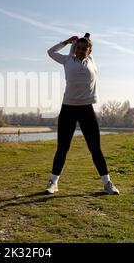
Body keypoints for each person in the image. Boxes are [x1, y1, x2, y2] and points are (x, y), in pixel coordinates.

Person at [45, 33, 120, 195]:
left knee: (95, 148)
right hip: (68, 109)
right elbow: (50, 52)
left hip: (87, 109)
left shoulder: (92, 62)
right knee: (62, 148)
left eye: (83, 49)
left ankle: (107, 183)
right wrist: (67, 42)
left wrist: (85, 38)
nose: (80, 51)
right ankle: (53, 182)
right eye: (78, 48)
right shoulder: (67, 60)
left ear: (89, 51)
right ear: (75, 49)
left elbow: (87, 43)